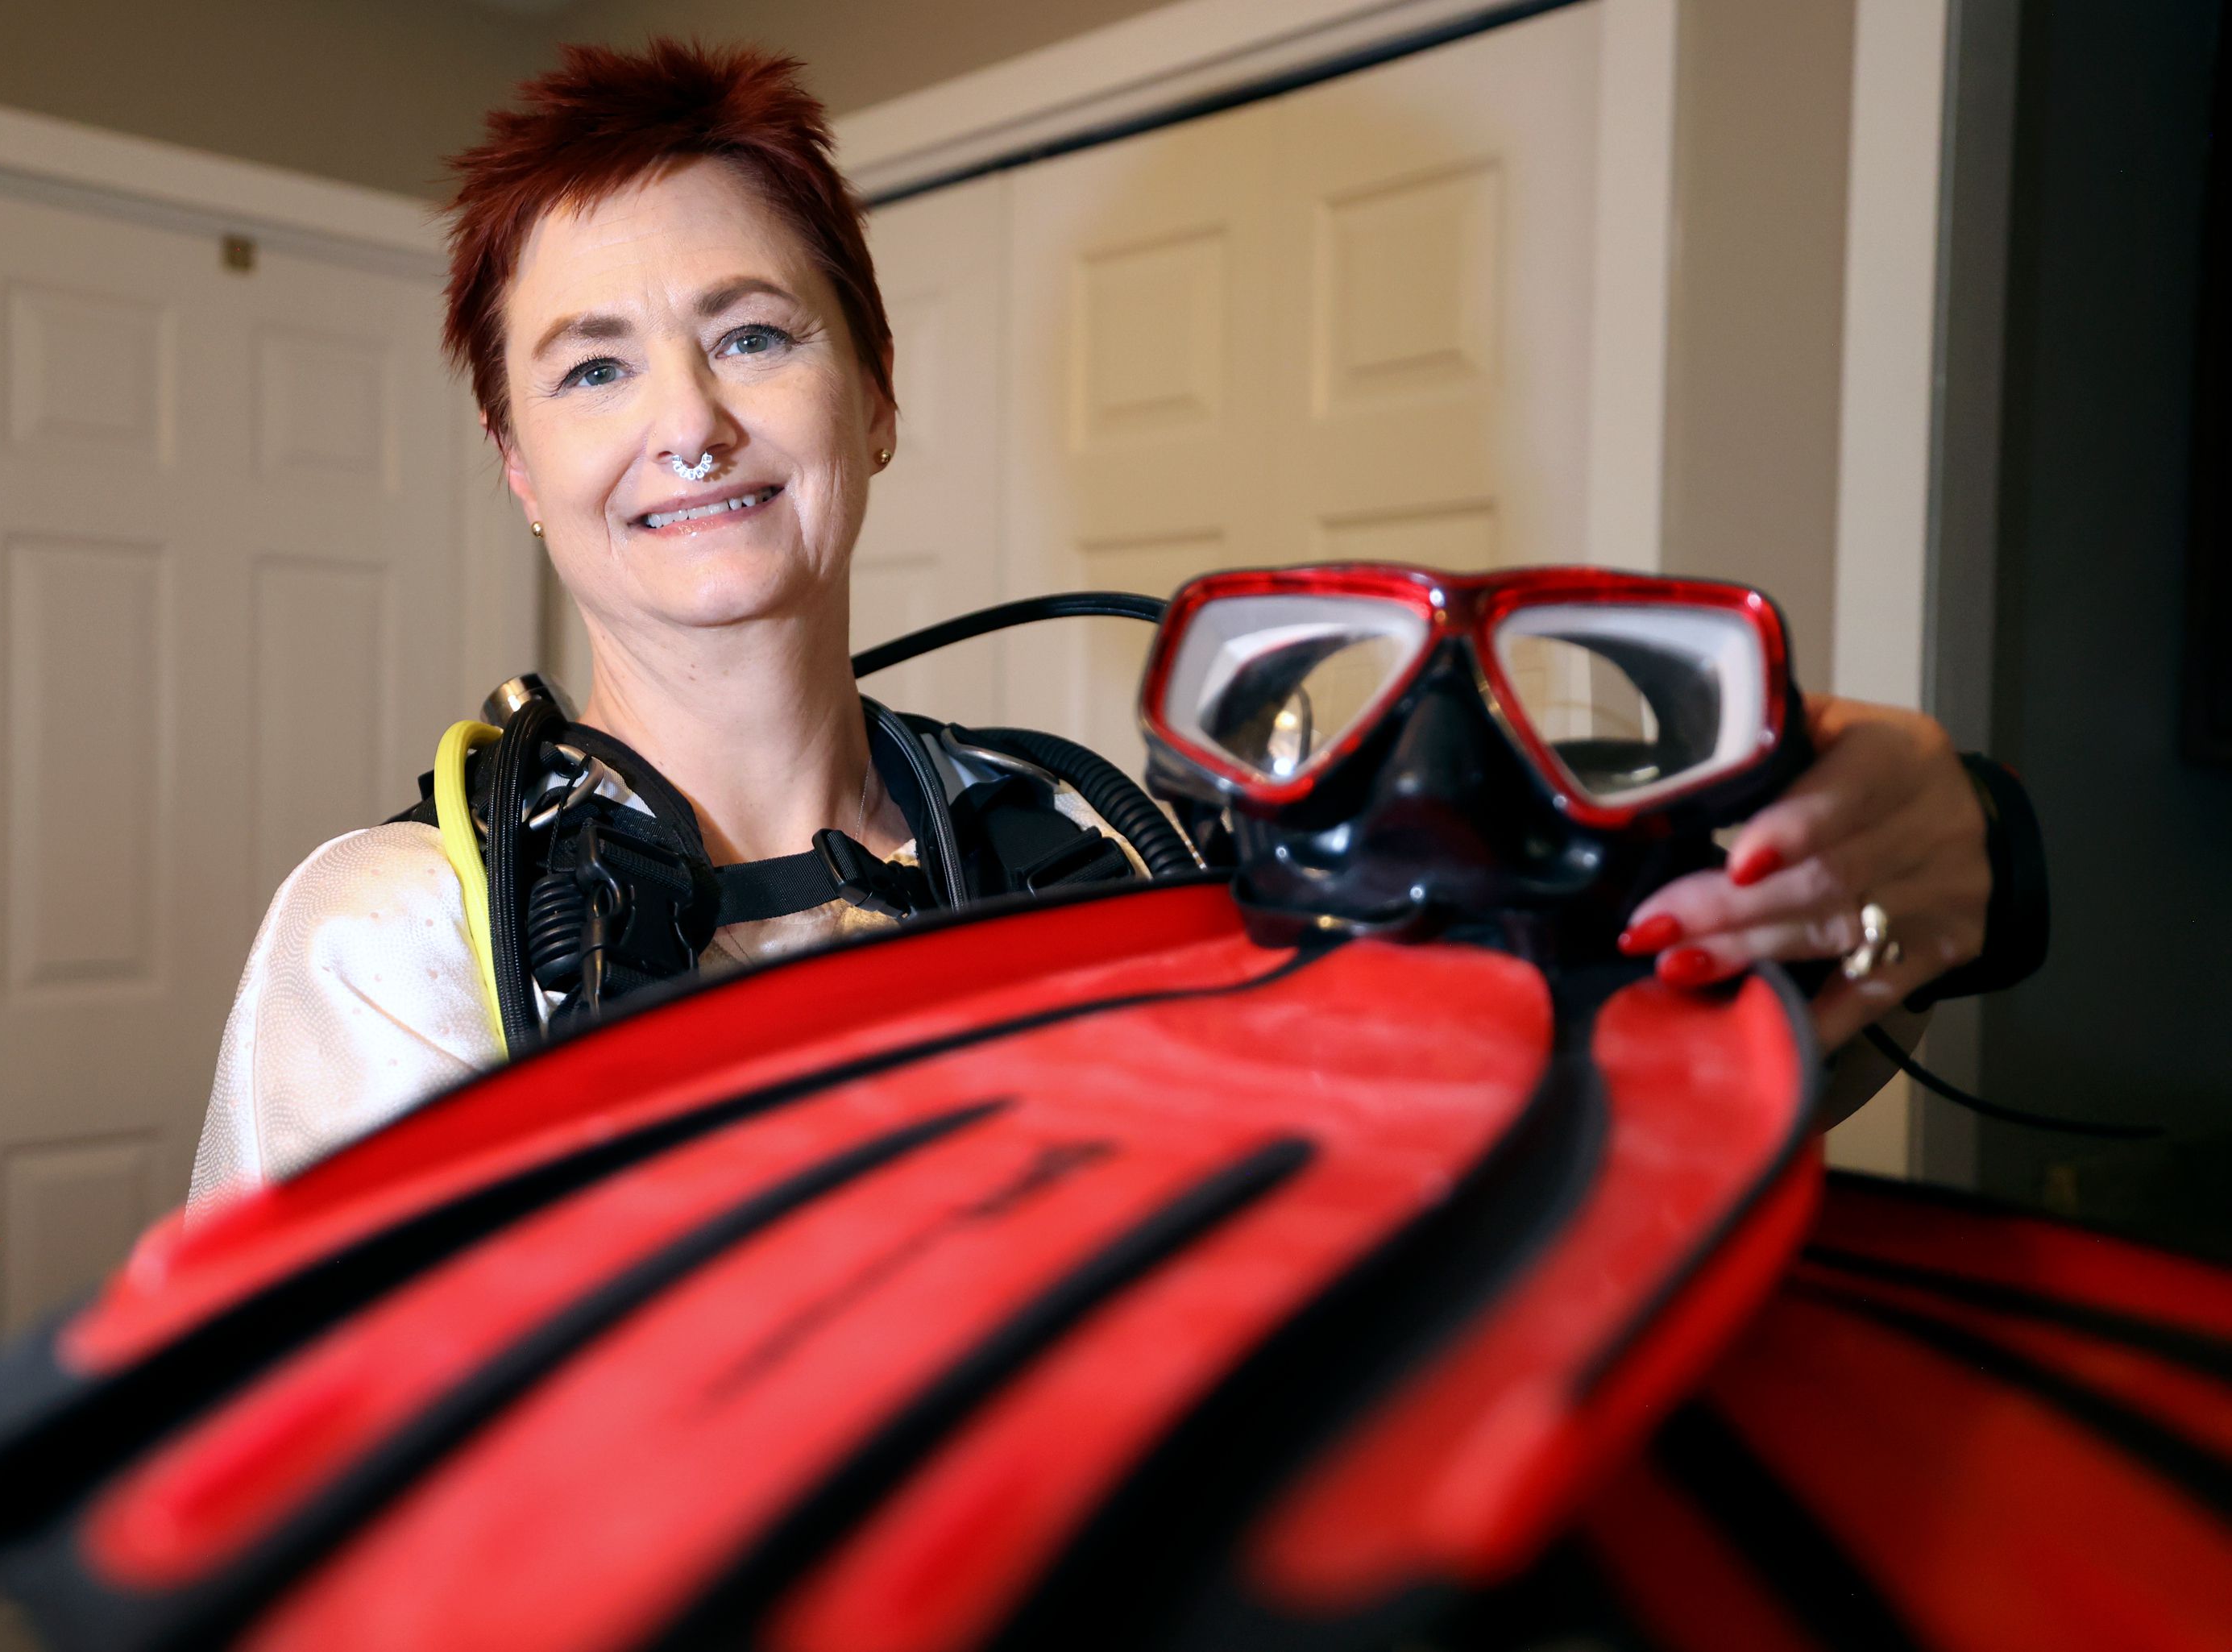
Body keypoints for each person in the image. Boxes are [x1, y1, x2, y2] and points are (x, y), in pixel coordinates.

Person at [185, 40, 2038, 1210]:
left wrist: (1921, 836)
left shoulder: (1127, 852)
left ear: (876, 393)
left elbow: (1552, 1088)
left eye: (753, 333)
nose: (690, 419)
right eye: (593, 367)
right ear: (516, 462)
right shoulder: (398, 938)